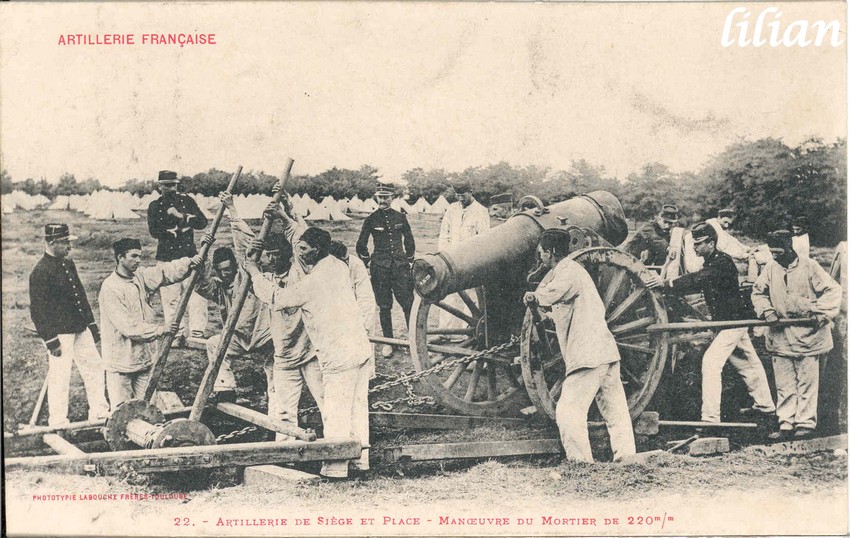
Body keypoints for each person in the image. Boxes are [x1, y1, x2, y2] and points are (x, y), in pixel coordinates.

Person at [245, 226, 372, 479]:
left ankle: (335, 470)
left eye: (304, 249)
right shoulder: (336, 265)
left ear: (317, 250)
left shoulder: (314, 282)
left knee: (336, 410)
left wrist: (254, 271)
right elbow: (302, 241)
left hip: (339, 354)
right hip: (358, 349)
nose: (299, 253)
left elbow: (278, 298)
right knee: (357, 409)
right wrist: (284, 218)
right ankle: (359, 462)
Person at [522, 229, 635, 463]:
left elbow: (549, 294)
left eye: (542, 252)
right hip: (604, 350)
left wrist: (532, 296)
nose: (540, 257)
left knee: (568, 411)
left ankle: (581, 463)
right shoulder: (572, 272)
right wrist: (549, 318)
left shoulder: (568, 272)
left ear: (551, 252)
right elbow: (567, 310)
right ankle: (627, 457)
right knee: (615, 411)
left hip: (588, 354)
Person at [646, 222, 775, 423]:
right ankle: (765, 406)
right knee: (748, 363)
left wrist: (667, 284)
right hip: (727, 322)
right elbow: (696, 280)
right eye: (694, 243)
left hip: (732, 322)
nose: (695, 247)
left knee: (711, 363)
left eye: (699, 244)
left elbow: (698, 280)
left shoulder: (722, 263)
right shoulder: (712, 261)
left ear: (711, 243)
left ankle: (710, 418)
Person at [752, 230, 841, 440]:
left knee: (807, 382)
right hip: (781, 334)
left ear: (789, 248)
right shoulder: (771, 269)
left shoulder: (810, 266)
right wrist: (767, 311)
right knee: (784, 384)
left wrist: (819, 312)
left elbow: (833, 291)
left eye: (778, 251)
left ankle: (805, 424)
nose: (774, 256)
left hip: (809, 334)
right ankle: (786, 423)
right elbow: (758, 292)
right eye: (771, 252)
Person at [250, 197, 325, 438]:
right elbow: (246, 249)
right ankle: (285, 454)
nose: (271, 259)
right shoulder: (266, 279)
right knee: (283, 411)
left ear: (289, 254)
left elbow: (301, 237)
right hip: (283, 353)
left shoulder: (301, 272)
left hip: (311, 350)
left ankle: (337, 449)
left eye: (276, 254)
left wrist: (285, 215)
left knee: (327, 401)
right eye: (268, 255)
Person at [98, 238, 203, 407]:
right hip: (120, 363)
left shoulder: (140, 276)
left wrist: (189, 263)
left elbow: (164, 272)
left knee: (149, 408)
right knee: (122, 413)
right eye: (133, 256)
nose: (138, 261)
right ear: (120, 258)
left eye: (139, 256)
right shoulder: (111, 288)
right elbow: (129, 328)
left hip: (144, 360)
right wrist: (161, 330)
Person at [194, 192, 275, 405]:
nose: (225, 274)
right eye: (221, 271)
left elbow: (244, 249)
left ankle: (275, 395)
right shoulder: (219, 287)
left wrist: (232, 209)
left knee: (276, 363)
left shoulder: (245, 277)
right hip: (239, 337)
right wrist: (202, 253)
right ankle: (225, 389)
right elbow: (200, 284)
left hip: (264, 333)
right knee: (213, 344)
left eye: (229, 269)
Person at [29, 223, 109, 425]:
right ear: (52, 242)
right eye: (65, 243)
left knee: (95, 367)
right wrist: (51, 340)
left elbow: (80, 296)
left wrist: (91, 325)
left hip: (80, 328)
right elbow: (38, 311)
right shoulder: (40, 272)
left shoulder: (68, 264)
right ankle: (58, 421)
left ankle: (99, 412)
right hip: (60, 333)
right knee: (60, 376)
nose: (69, 247)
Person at [147, 170, 209, 346]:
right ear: (159, 186)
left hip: (189, 256)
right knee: (170, 298)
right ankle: (176, 333)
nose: (171, 188)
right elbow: (153, 231)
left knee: (197, 295)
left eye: (174, 184)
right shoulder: (154, 206)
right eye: (167, 185)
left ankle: (197, 332)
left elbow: (202, 222)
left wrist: (180, 217)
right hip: (167, 257)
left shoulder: (187, 201)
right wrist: (173, 231)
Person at [355, 183, 415, 358]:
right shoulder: (371, 219)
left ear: (392, 198)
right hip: (380, 269)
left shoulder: (400, 217)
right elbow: (361, 244)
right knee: (384, 306)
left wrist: (409, 258)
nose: (382, 200)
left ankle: (413, 341)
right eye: (380, 197)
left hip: (400, 267)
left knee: (408, 304)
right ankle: (389, 343)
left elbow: (409, 239)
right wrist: (368, 262)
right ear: (376, 198)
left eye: (386, 197)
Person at [437, 180, 491, 331]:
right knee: (448, 296)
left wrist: (474, 260)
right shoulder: (452, 209)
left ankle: (469, 331)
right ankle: (445, 331)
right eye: (458, 195)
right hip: (451, 259)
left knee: (471, 298)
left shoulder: (481, 211)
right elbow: (444, 234)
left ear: (471, 191)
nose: (460, 198)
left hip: (470, 261)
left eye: (463, 195)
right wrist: (444, 255)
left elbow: (483, 240)